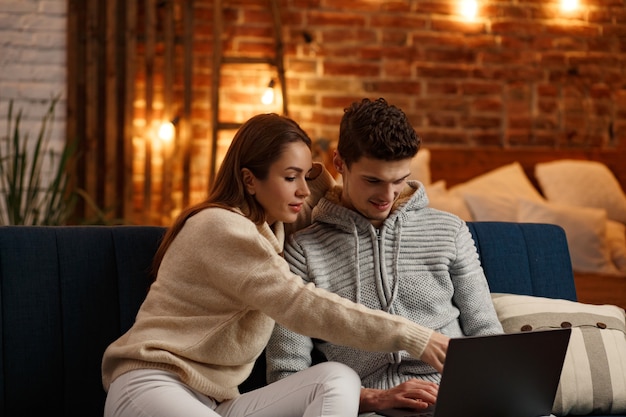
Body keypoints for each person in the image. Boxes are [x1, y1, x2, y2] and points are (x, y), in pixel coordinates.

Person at [101, 112, 451, 417]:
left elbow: (335, 207)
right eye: (289, 177)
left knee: (337, 378)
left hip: (216, 404)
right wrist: (413, 336)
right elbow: (301, 304)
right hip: (151, 388)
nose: (302, 190)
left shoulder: (274, 227)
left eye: (306, 176)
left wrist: (320, 174)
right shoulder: (221, 227)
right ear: (250, 179)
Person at [265, 98, 504, 416]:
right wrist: (370, 398)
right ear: (340, 162)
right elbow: (287, 378)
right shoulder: (304, 251)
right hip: (369, 407)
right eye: (373, 181)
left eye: (399, 180)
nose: (387, 196)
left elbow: (486, 334)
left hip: (457, 401)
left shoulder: (449, 230)